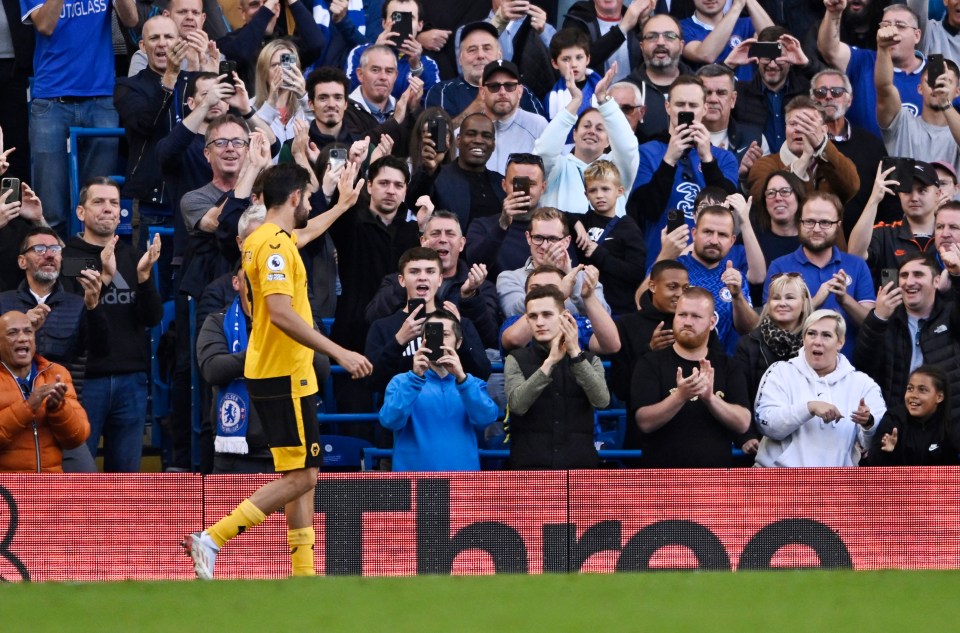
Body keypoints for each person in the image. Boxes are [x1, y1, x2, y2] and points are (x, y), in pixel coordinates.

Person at [182, 162, 372, 580]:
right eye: (306, 197)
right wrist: (339, 351)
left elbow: (305, 234)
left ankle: (303, 573)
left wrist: (341, 207)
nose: (308, 204)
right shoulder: (273, 248)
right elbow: (281, 313)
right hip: (285, 372)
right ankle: (212, 538)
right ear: (294, 198)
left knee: (297, 473)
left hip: (275, 371)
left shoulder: (264, 238)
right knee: (304, 475)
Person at [60, 178, 163, 473]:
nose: (108, 209)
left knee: (125, 482)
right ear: (81, 212)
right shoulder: (69, 255)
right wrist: (104, 278)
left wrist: (144, 280)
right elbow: (71, 318)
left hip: (131, 379)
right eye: (99, 202)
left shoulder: (131, 255)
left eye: (114, 203)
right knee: (80, 479)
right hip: (84, 381)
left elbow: (152, 318)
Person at [22, 0, 138, 236]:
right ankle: (55, 268)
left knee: (98, 202)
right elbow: (45, 25)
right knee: (51, 207)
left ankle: (94, 268)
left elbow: (132, 20)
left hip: (101, 98)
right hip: (52, 100)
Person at [631, 287, 752, 468]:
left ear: (712, 322)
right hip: (662, 480)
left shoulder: (728, 366)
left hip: (714, 481)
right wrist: (680, 396)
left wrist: (710, 399)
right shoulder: (650, 362)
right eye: (682, 315)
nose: (687, 322)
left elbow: (742, 423)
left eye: (696, 316)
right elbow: (644, 422)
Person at [627, 74, 738, 263]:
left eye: (693, 106)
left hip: (711, 263)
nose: (686, 110)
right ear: (668, 107)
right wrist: (669, 159)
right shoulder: (645, 152)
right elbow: (647, 211)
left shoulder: (724, 158)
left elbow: (728, 210)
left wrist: (707, 159)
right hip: (660, 259)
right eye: (680, 105)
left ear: (704, 108)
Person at [754, 309, 887, 467]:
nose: (817, 341)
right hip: (779, 481)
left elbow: (876, 441)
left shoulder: (863, 384)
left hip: (836, 484)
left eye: (826, 335)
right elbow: (766, 424)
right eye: (811, 334)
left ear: (840, 342)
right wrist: (809, 408)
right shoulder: (779, 372)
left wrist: (868, 423)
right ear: (803, 339)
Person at [504, 284, 610, 469]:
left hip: (579, 468)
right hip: (529, 469)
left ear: (565, 316)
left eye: (547, 314)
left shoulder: (590, 360)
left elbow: (601, 400)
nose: (539, 322)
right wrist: (550, 363)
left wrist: (576, 355)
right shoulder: (516, 358)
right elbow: (517, 405)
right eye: (533, 316)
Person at [378, 309, 498, 471]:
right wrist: (415, 377)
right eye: (433, 334)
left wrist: (462, 379)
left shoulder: (472, 383)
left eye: (446, 334)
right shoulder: (401, 381)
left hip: (462, 483)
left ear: (459, 342)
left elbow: (486, 419)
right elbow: (390, 421)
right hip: (415, 484)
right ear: (422, 341)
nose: (439, 340)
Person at [363, 246, 492, 393]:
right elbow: (372, 382)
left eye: (430, 271)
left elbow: (482, 373)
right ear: (402, 280)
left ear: (440, 279)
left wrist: (460, 336)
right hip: (406, 411)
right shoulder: (382, 327)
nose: (422, 277)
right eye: (414, 271)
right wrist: (398, 341)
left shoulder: (458, 321)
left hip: (450, 408)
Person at [365, 210, 501, 348]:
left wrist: (470, 298)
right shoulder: (396, 281)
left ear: (461, 244)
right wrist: (409, 283)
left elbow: (488, 339)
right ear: (423, 241)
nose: (442, 239)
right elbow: (372, 319)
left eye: (450, 234)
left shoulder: (480, 287)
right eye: (435, 233)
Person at [765, 192, 875, 357]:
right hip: (795, 368)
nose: (816, 229)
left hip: (848, 371)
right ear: (799, 223)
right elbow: (771, 326)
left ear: (838, 225)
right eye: (809, 222)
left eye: (825, 223)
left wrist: (845, 300)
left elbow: (871, 326)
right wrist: (815, 301)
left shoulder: (856, 265)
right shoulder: (780, 266)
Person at [854, 253, 960, 423]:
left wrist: (956, 276)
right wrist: (878, 319)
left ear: (936, 281)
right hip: (898, 423)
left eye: (918, 274)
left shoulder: (950, 314)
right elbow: (863, 365)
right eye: (904, 275)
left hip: (947, 424)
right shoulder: (885, 319)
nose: (909, 282)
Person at [535, 63, 638, 216]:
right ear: (575, 134)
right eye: (586, 126)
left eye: (599, 128)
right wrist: (575, 101)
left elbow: (627, 147)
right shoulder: (557, 168)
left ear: (609, 141)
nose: (592, 132)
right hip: (561, 239)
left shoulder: (616, 169)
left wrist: (604, 100)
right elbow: (544, 152)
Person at [817, 0, 925, 137]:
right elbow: (829, 49)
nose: (891, 31)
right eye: (885, 25)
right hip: (864, 156)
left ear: (917, 36)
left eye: (900, 26)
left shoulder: (935, 74)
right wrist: (833, 13)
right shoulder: (864, 60)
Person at [809, 67, 899, 230]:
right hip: (815, 237)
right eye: (821, 92)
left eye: (836, 91)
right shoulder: (802, 142)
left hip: (867, 243)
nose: (828, 96)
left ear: (849, 100)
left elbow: (888, 198)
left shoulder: (871, 144)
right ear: (812, 100)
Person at [734, 272, 813, 458]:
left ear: (804, 304)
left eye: (790, 297)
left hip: (807, 441)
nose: (782, 303)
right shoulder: (749, 343)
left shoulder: (816, 344)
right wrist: (746, 436)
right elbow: (740, 393)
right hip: (762, 442)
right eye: (775, 298)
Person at [0, 310, 89, 472]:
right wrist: (28, 407)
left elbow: (77, 437)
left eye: (28, 331)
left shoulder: (56, 373)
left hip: (49, 488)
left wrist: (59, 409)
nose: (22, 338)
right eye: (12, 333)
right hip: (6, 490)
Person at [745, 96, 860, 209]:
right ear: (785, 129)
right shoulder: (764, 165)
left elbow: (851, 187)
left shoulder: (835, 163)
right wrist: (804, 158)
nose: (799, 129)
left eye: (808, 124)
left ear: (823, 130)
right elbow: (761, 200)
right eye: (793, 123)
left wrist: (822, 146)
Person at [496, 206, 611, 318]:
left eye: (553, 239)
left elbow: (605, 318)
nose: (545, 246)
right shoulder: (509, 278)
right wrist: (546, 274)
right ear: (528, 238)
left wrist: (571, 280)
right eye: (538, 238)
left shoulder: (584, 278)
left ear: (566, 241)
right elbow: (513, 313)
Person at [425, 21, 547, 126]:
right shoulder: (443, 92)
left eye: (487, 48)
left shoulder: (520, 91)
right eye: (472, 50)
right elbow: (438, 141)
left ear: (499, 55)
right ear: (460, 59)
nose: (480, 55)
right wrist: (479, 104)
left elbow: (542, 136)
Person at [724, 28, 817, 153]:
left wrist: (805, 64)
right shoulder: (740, 94)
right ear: (757, 57)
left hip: (799, 164)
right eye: (766, 58)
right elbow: (703, 94)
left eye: (779, 58)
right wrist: (728, 65)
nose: (772, 65)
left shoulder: (807, 91)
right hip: (756, 167)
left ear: (791, 58)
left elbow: (834, 88)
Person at [571, 160, 646, 315]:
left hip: (619, 310)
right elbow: (553, 213)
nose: (599, 195)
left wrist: (600, 254)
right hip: (585, 309)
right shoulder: (583, 221)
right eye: (593, 190)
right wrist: (576, 224)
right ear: (586, 195)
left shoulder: (628, 226)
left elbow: (636, 273)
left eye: (605, 189)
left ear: (619, 191)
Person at [407, 112, 504, 230]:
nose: (478, 140)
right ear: (458, 140)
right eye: (471, 134)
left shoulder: (501, 183)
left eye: (486, 136)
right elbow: (413, 203)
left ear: (493, 145)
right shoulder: (437, 176)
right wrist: (428, 169)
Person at [848, 161, 939, 283]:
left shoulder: (951, 234)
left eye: (922, 190)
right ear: (899, 194)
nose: (914, 198)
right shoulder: (883, 234)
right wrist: (874, 199)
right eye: (907, 191)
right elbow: (854, 255)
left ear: (938, 194)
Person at [876, 43, 960, 175]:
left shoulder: (956, 131)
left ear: (957, 92)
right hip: (904, 195)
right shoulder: (901, 122)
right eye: (931, 81)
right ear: (919, 88)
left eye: (946, 82)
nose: (937, 87)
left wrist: (945, 103)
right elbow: (884, 88)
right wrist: (883, 48)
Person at [465, 151, 548, 279]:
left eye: (531, 184)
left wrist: (573, 221)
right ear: (504, 185)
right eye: (517, 183)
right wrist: (501, 226)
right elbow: (474, 266)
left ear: (543, 188)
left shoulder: (555, 227)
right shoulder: (482, 226)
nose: (523, 191)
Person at [345, 0, 440, 100]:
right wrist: (374, 53)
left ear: (420, 25)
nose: (403, 24)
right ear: (384, 23)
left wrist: (416, 68)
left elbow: (431, 106)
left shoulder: (428, 64)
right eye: (397, 17)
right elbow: (348, 97)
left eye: (409, 18)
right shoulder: (359, 53)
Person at [622, 13, 695, 139]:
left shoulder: (699, 87)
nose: (660, 42)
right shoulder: (625, 92)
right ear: (642, 46)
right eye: (651, 37)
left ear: (681, 46)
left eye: (670, 36)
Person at [869, 365, 959, 466]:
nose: (913, 395)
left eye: (922, 390)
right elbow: (872, 467)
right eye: (910, 389)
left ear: (939, 397)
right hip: (900, 481)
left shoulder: (952, 424)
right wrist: (886, 452)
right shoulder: (894, 419)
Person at [694, 64, 767, 184]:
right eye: (707, 93)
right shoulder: (681, 139)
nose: (713, 99)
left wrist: (743, 178)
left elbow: (764, 193)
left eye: (721, 93)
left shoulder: (755, 139)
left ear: (733, 99)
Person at [478, 59, 549, 175]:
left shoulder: (538, 125)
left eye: (509, 86)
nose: (502, 92)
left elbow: (551, 173)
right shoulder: (467, 130)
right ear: (482, 92)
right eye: (494, 86)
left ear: (520, 91)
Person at [680, 0, 773, 81]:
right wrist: (736, 7)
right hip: (709, 97)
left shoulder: (747, 23)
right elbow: (706, 55)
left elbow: (774, 44)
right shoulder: (681, 27)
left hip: (746, 97)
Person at [561, 0, 648, 82]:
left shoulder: (637, 23)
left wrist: (644, 24)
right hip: (590, 95)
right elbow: (578, 61)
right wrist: (622, 29)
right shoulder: (576, 20)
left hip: (633, 94)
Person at [545, 28, 602, 121]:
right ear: (555, 63)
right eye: (566, 59)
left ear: (587, 59)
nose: (574, 64)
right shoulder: (551, 99)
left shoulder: (603, 91)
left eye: (579, 57)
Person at [753, 170, 805, 265]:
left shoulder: (811, 239)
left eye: (785, 191)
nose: (778, 198)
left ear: (798, 196)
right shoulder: (752, 238)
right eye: (771, 193)